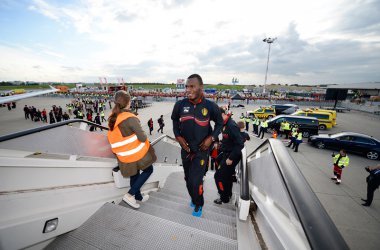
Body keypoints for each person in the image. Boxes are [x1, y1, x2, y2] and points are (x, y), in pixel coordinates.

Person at [171, 74, 223, 217]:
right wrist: (178, 137)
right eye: (187, 86)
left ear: (201, 88)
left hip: (202, 150)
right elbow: (175, 121)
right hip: (186, 150)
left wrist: (211, 139)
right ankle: (194, 198)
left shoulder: (210, 106)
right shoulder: (180, 105)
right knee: (188, 181)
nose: (188, 89)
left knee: (196, 181)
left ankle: (199, 204)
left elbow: (219, 124)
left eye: (192, 86)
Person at [108, 90, 156, 209]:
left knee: (135, 174)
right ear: (128, 102)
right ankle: (130, 195)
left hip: (123, 155)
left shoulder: (114, 117)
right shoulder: (130, 118)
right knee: (149, 170)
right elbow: (143, 137)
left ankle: (137, 196)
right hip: (135, 153)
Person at [214, 107, 244, 205]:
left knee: (218, 176)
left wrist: (231, 158)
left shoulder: (231, 126)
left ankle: (224, 197)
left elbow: (240, 143)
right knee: (224, 173)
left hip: (232, 155)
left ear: (223, 115)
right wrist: (217, 142)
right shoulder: (224, 123)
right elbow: (217, 132)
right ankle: (228, 193)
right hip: (226, 152)